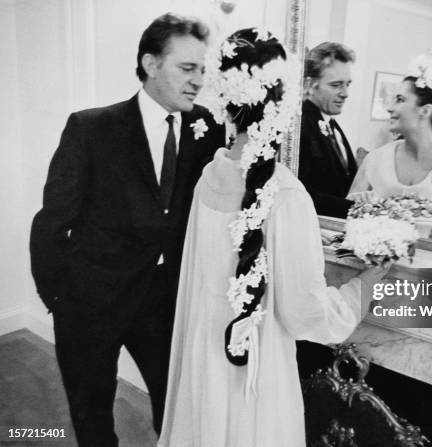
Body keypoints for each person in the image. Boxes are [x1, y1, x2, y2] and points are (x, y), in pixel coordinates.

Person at [158, 29, 388, 447]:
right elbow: (306, 315)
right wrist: (364, 286)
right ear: (282, 106)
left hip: (205, 357)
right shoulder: (284, 194)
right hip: (255, 374)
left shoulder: (210, 176)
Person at [29, 13, 224, 446]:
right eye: (187, 68)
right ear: (151, 64)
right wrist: (59, 298)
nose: (198, 81)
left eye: (202, 70)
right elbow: (51, 221)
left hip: (164, 301)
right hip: (90, 300)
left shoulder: (207, 127)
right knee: (93, 414)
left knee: (176, 407)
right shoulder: (92, 127)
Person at [348, 57, 432, 217]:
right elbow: (346, 218)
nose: (389, 108)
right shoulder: (374, 161)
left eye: (400, 100)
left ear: (425, 111)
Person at [298, 42, 358, 218]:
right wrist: (355, 209)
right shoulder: (300, 126)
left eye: (348, 84)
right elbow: (303, 193)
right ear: (310, 84)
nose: (345, 93)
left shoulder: (331, 123)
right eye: (336, 85)